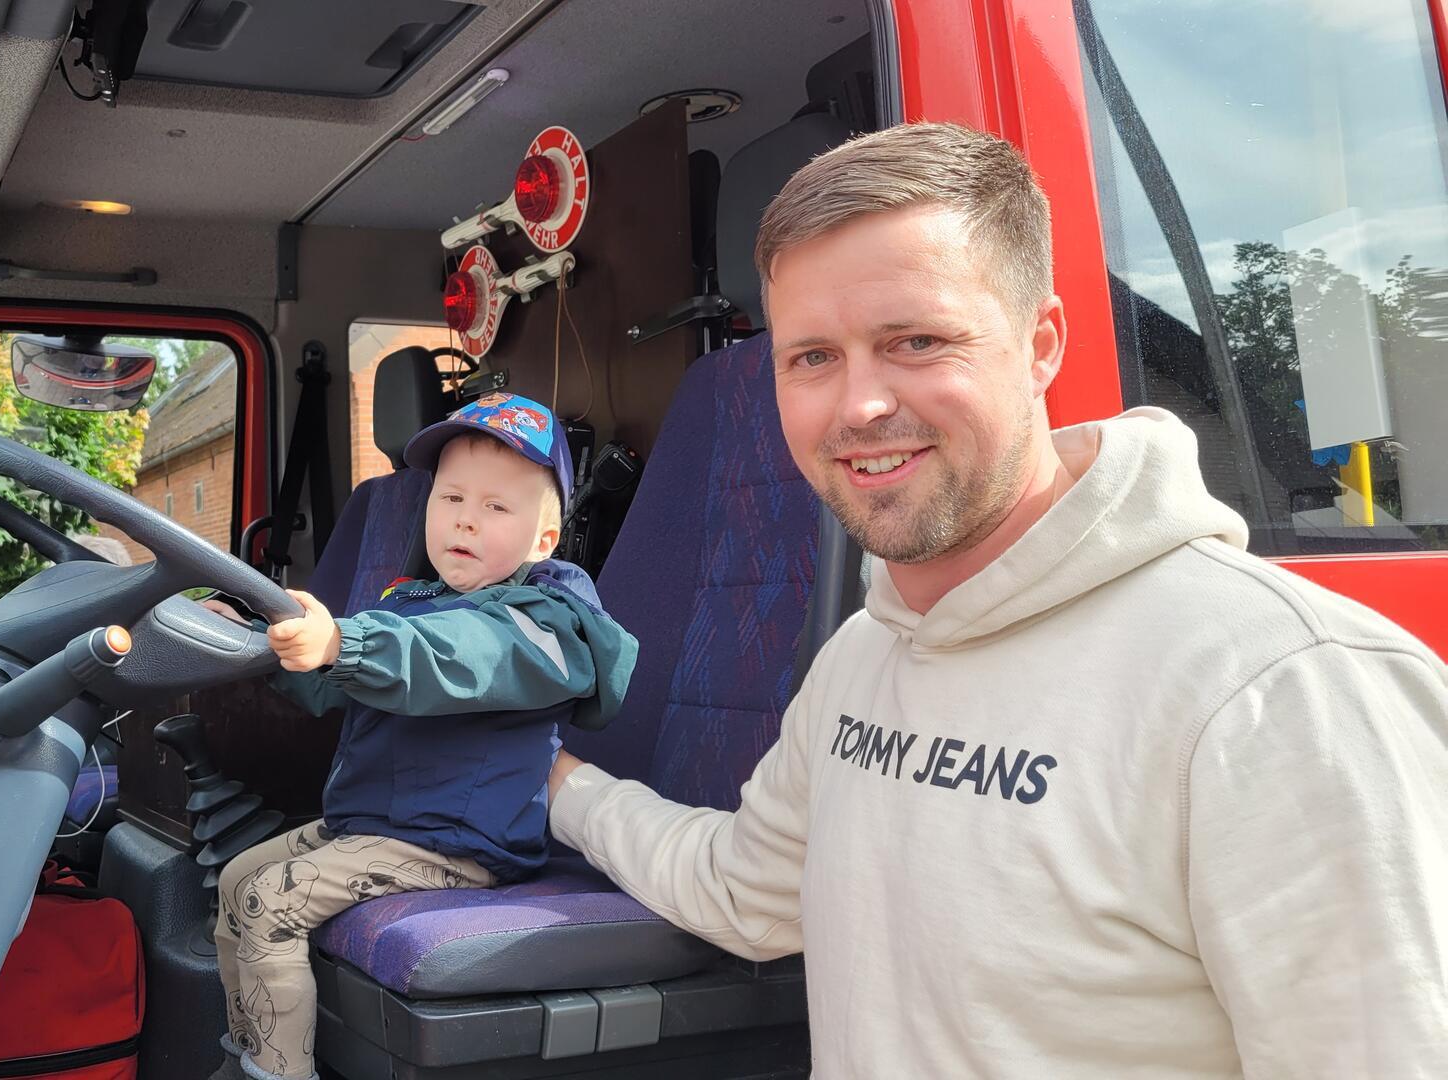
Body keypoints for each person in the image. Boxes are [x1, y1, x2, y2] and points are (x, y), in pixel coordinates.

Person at [546, 122, 1448, 1077]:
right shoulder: (865, 657)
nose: (858, 406)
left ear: (1041, 344)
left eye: (917, 340)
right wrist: (562, 788)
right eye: (812, 357)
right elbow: (745, 890)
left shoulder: (1286, 688)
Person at [206, 393, 638, 1080]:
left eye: (497, 507)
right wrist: (262, 637)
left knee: (271, 898)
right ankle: (248, 1050)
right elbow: (332, 685)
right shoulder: (412, 601)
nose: (466, 517)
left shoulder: (548, 623)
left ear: (544, 539)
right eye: (450, 497)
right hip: (378, 825)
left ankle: (277, 1073)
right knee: (237, 879)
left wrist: (346, 639)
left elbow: (457, 656)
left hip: (462, 844)